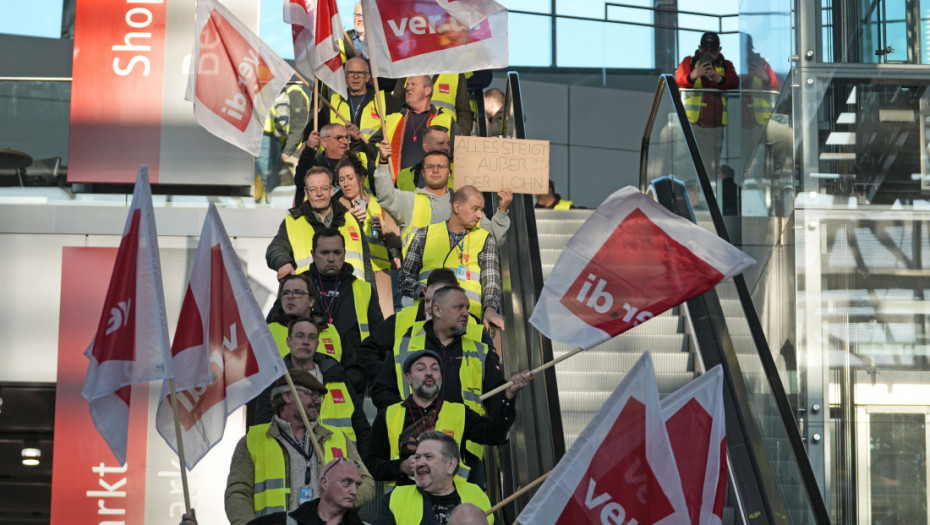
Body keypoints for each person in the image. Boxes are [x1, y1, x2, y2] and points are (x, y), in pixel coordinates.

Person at [225, 371, 374, 525]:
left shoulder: (337, 437)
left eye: (319, 396)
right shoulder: (252, 440)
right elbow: (238, 493)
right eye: (312, 394)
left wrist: (340, 500)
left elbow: (367, 483)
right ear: (287, 396)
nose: (318, 401)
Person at [364, 350, 532, 485]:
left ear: (441, 378)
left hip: (451, 504)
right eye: (421, 369)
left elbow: (495, 434)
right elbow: (371, 465)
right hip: (403, 505)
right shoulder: (387, 415)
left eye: (435, 369)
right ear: (408, 378)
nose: (429, 373)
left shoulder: (460, 412)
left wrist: (508, 396)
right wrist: (401, 466)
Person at [254, 318, 371, 454]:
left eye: (311, 337)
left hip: (341, 465)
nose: (305, 341)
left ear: (317, 345)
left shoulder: (336, 375)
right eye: (299, 336)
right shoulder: (275, 380)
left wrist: (362, 468)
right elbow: (263, 428)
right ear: (288, 341)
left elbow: (360, 426)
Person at [398, 187, 504, 329]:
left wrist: (490, 309)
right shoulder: (424, 234)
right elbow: (404, 279)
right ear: (457, 207)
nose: (480, 215)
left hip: (468, 321)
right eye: (475, 209)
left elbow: (491, 282)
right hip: (427, 319)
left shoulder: (485, 238)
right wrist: (424, 291)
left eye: (481, 210)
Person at [373, 142, 512, 247]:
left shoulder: (466, 206)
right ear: (423, 172)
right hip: (419, 282)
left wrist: (502, 210)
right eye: (430, 166)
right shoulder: (410, 201)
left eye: (441, 166)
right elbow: (385, 195)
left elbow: (493, 238)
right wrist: (383, 162)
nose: (435, 170)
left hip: (457, 281)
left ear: (449, 172)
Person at [303, 228, 383, 392]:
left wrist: (369, 377)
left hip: (353, 381)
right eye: (324, 252)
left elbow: (378, 340)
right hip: (306, 379)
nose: (331, 258)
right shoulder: (297, 286)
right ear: (313, 254)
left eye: (336, 252)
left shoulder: (364, 289)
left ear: (344, 253)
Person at [266, 166, 374, 286]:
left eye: (324, 188)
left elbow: (366, 265)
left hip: (352, 297)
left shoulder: (351, 220)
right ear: (306, 192)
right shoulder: (292, 221)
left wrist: (372, 300)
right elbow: (274, 250)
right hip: (310, 296)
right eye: (313, 190)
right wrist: (284, 263)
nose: (319, 194)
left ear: (331, 190)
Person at [374, 431, 494, 525]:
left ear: (451, 465)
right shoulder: (396, 499)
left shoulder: (478, 497)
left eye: (428, 457)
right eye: (417, 457)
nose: (419, 463)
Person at [335, 156, 402, 318]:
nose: (345, 184)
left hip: (380, 272)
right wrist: (346, 220)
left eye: (350, 178)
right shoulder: (335, 207)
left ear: (362, 179)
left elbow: (398, 240)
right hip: (352, 272)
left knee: (384, 321)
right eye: (341, 180)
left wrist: (384, 231)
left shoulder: (379, 206)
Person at [367, 75, 458, 176]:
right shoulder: (393, 119)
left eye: (413, 84)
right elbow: (372, 150)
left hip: (433, 188)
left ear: (427, 90)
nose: (408, 88)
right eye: (408, 85)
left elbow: (459, 157)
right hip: (396, 188)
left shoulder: (446, 120)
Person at [675, 31, 738, 177]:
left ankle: (705, 199)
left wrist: (717, 78)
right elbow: (677, 83)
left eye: (713, 51)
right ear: (699, 48)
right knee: (683, 167)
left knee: (709, 170)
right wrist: (693, 75)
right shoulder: (689, 63)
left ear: (719, 50)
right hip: (688, 124)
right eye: (705, 51)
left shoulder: (726, 65)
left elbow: (735, 84)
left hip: (713, 127)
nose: (709, 54)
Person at [294, 123, 367, 205]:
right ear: (324, 142)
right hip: (320, 214)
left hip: (357, 212)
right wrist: (309, 149)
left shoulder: (359, 160)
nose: (346, 142)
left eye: (347, 137)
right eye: (339, 138)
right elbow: (299, 182)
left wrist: (358, 215)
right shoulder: (315, 164)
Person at [288, 458, 366, 525]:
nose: (354, 491)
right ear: (324, 483)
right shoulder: (286, 521)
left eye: (357, 485)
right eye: (347, 482)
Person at [393, 74, 472, 137]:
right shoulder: (407, 72)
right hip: (411, 136)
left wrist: (460, 140)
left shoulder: (455, 74)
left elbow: (463, 112)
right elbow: (395, 106)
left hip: (444, 141)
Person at [267, 274, 324, 355]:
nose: (290, 296)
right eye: (286, 293)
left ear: (311, 301)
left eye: (298, 292)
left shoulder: (330, 331)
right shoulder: (266, 332)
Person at [394, 126, 454, 192]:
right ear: (426, 146)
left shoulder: (458, 171)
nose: (446, 147)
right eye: (440, 143)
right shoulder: (405, 174)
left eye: (448, 144)